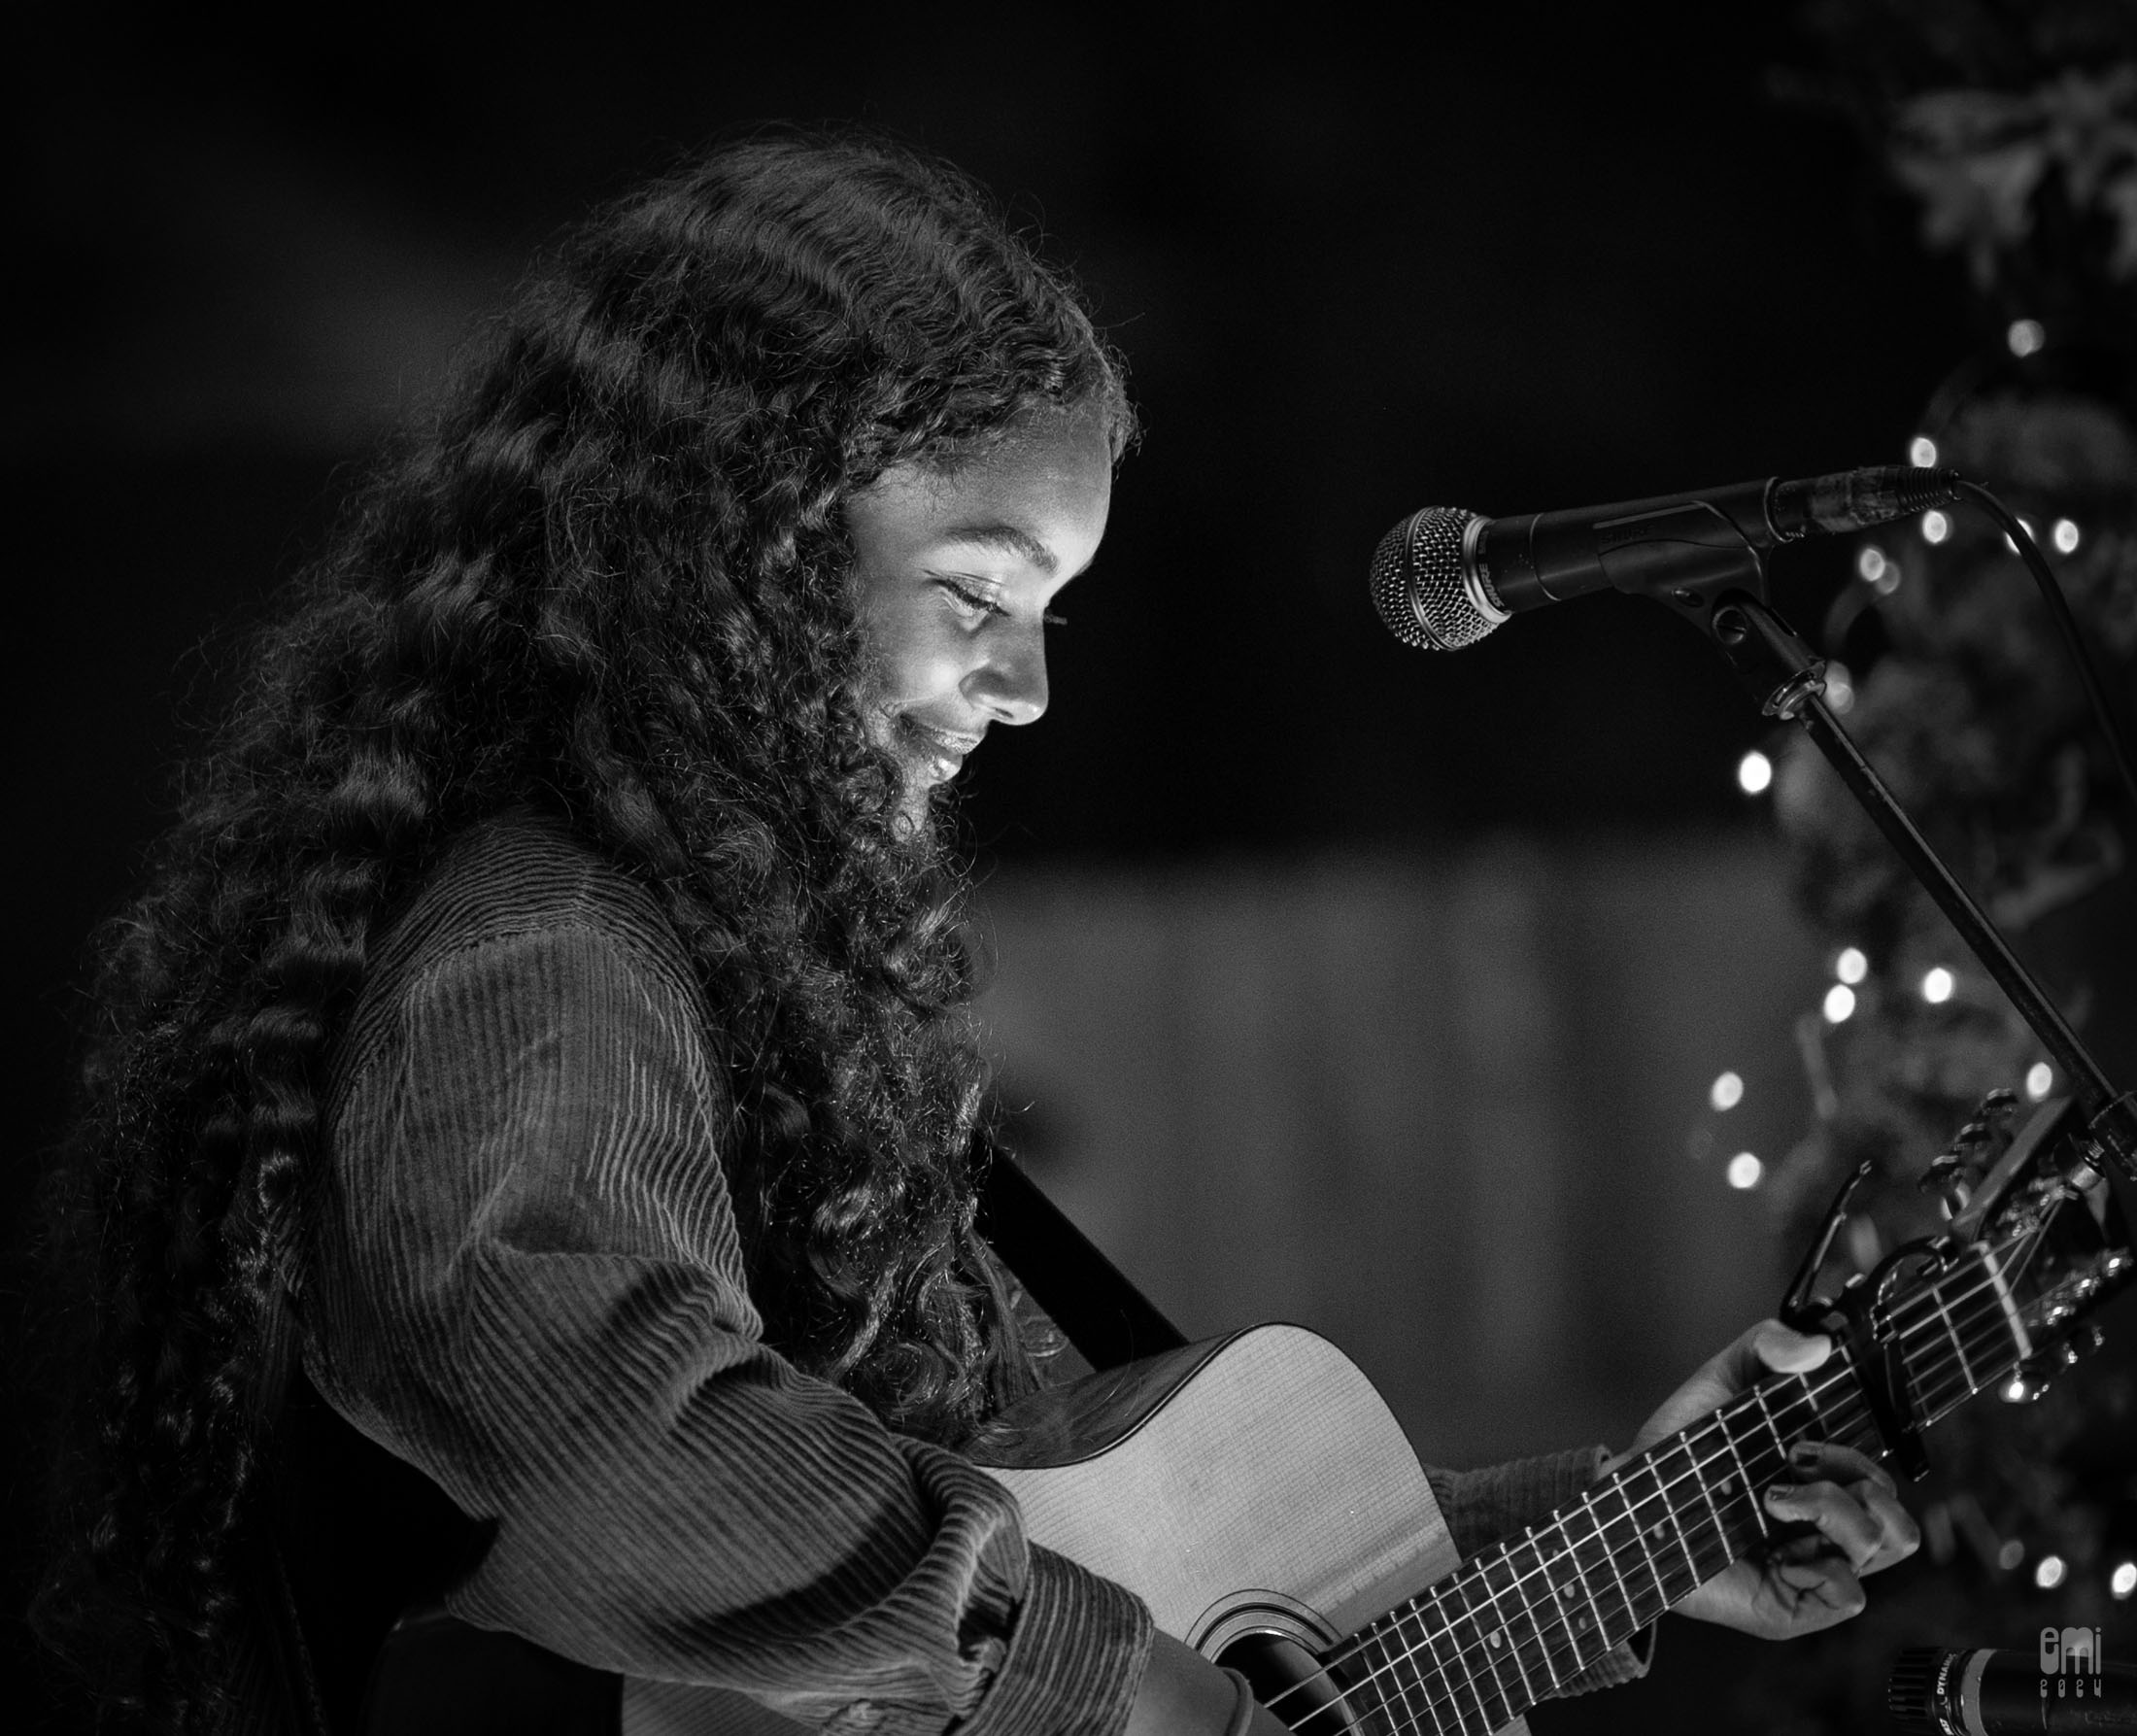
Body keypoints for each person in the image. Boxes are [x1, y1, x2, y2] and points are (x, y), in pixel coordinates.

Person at [33, 131, 1916, 1736]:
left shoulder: (735, 972)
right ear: (740, 552)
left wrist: (1634, 1531)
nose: (1020, 686)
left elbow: (1121, 1559)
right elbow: (624, 1459)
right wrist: (1086, 1673)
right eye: (977, 590)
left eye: (1052, 613)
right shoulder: (538, 955)